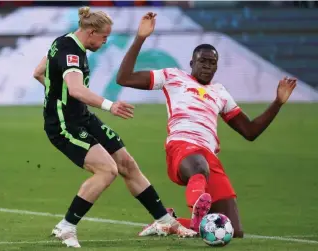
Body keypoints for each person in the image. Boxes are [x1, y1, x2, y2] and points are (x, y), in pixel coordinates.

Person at [116, 12, 297, 237]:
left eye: (212, 63)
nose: (207, 67)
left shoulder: (220, 93)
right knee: (199, 167)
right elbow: (124, 78)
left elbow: (250, 132)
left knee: (233, 230)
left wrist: (278, 103)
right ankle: (197, 212)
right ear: (192, 62)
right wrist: (141, 38)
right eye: (203, 61)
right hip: (182, 147)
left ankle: (169, 223)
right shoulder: (173, 77)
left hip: (209, 157)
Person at [33, 7, 197, 248]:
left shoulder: (64, 42)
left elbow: (38, 72)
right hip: (63, 124)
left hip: (82, 116)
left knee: (126, 163)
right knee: (107, 170)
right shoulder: (72, 54)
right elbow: (77, 90)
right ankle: (66, 227)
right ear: (90, 32)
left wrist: (55, 90)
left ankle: (165, 220)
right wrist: (110, 106)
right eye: (104, 37)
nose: (106, 42)